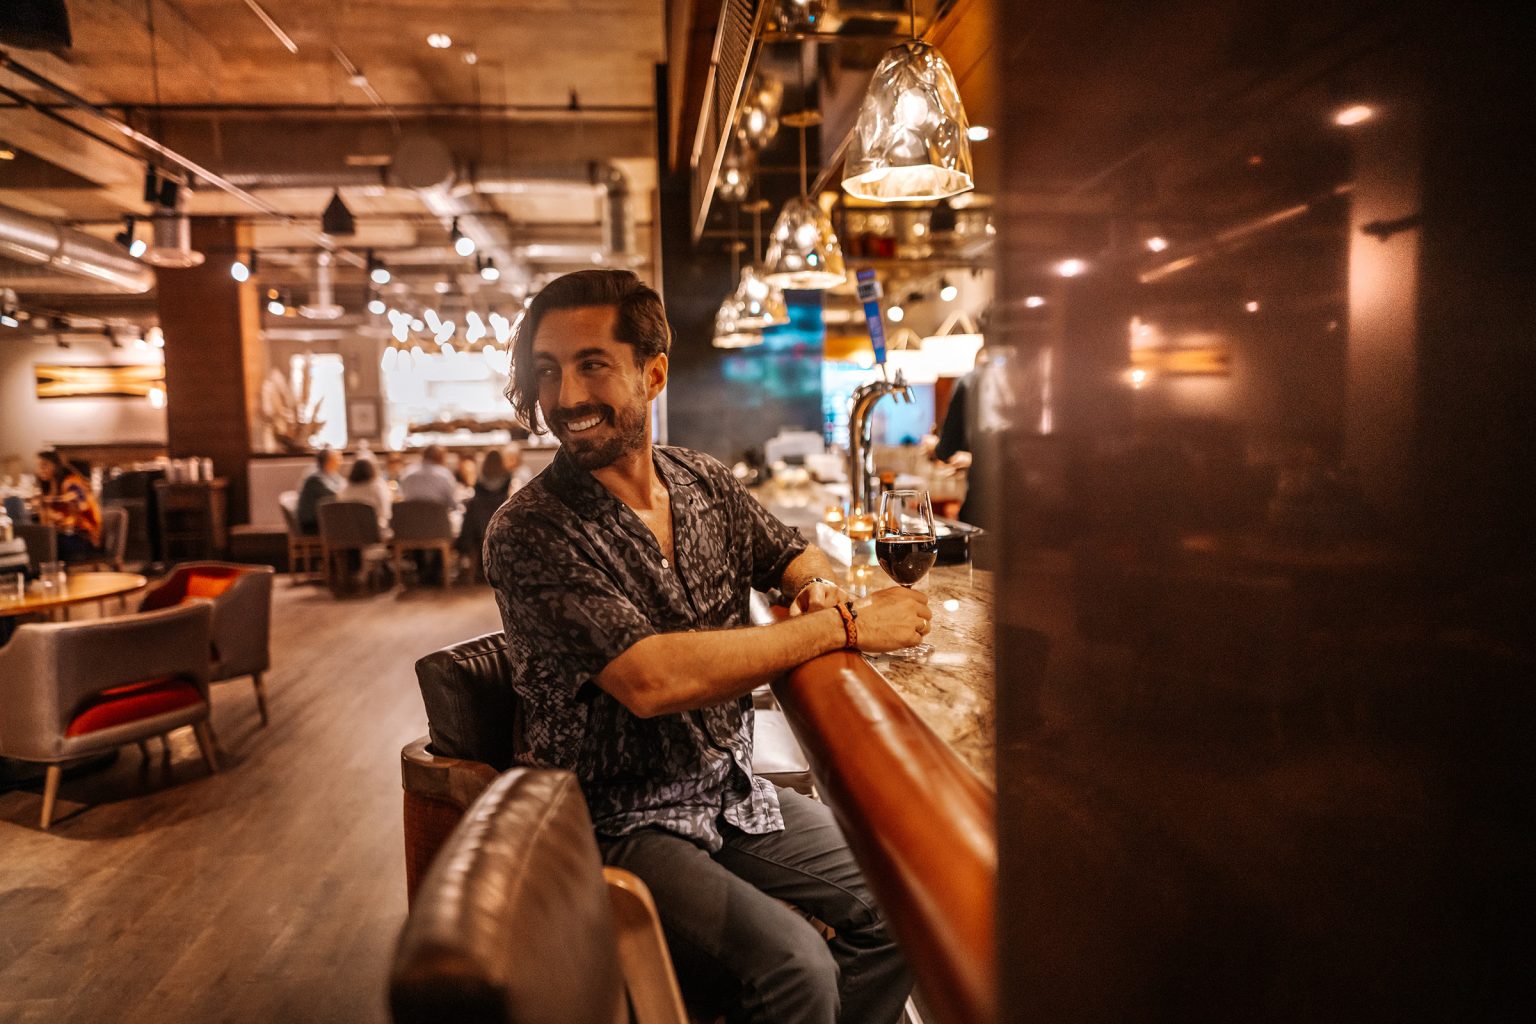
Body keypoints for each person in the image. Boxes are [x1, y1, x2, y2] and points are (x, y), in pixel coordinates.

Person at [484, 269, 927, 1024]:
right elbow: (651, 679)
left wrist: (814, 586)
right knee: (797, 968)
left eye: (591, 364)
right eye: (547, 372)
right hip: (612, 823)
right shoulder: (530, 530)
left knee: (904, 906)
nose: (563, 399)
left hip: (730, 794)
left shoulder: (702, 482)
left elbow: (791, 553)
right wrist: (843, 625)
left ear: (652, 373)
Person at [456, 449, 513, 582]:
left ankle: (475, 571)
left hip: (478, 530)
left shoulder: (478, 482)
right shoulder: (508, 480)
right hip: (501, 528)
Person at [34, 450, 101, 560]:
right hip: (63, 535)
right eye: (39, 466)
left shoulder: (71, 482)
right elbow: (46, 522)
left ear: (56, 466)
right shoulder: (47, 489)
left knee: (46, 545)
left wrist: (56, 502)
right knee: (40, 541)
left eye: (45, 465)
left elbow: (82, 506)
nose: (41, 470)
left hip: (84, 537)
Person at [335, 456, 392, 531]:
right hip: (373, 532)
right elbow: (386, 513)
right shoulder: (377, 487)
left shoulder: (344, 489)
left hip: (349, 532)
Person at [296, 448, 344, 535]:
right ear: (328, 461)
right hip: (311, 525)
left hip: (319, 521)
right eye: (336, 459)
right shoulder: (315, 478)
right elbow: (336, 494)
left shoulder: (329, 473)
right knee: (347, 527)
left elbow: (343, 485)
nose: (339, 462)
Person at [399, 444, 459, 509]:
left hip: (410, 516)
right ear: (440, 457)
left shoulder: (408, 471)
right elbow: (452, 501)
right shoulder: (444, 474)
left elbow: (401, 495)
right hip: (437, 516)